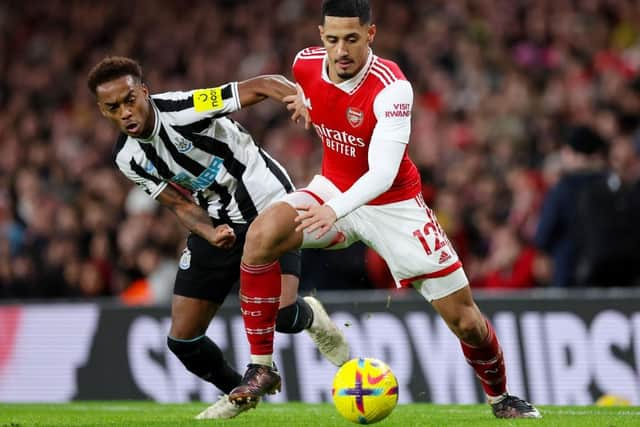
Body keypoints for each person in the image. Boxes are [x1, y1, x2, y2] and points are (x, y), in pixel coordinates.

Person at [229, 0, 541, 419]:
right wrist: (299, 100)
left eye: (353, 39)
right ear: (321, 36)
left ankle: (502, 398)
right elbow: (299, 84)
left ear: (370, 35)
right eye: (334, 39)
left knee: (466, 321)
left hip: (394, 206)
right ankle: (261, 367)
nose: (342, 50)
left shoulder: (392, 87)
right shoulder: (305, 64)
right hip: (332, 188)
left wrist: (334, 209)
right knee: (261, 235)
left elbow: (383, 171)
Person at [86, 56, 349, 419]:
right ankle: (239, 393)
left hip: (268, 204)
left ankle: (312, 318)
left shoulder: (184, 108)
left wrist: (298, 98)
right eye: (113, 108)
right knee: (182, 340)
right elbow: (177, 202)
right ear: (103, 111)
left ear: (144, 92)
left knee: (281, 315)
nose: (126, 112)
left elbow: (258, 86)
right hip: (217, 218)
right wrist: (208, 231)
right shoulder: (127, 157)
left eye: (130, 99)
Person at [534, 125, 608, 287]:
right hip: (612, 277)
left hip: (569, 275)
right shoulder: (613, 184)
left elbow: (542, 235)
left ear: (569, 152)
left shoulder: (564, 188)